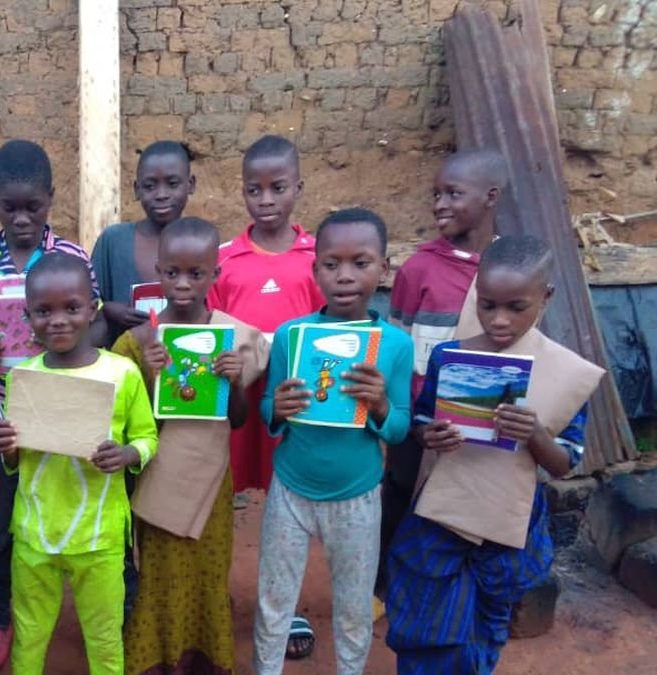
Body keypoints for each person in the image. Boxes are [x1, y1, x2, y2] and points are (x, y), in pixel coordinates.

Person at [386, 236, 600, 674]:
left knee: (487, 624)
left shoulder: (566, 374)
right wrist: (431, 436)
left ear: (546, 297)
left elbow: (564, 462)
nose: (499, 320)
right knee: (425, 622)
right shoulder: (452, 357)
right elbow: (422, 423)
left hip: (506, 528)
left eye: (515, 307)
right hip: (443, 517)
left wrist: (536, 435)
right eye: (487, 305)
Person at [0, 139, 103, 671]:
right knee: (0, 517)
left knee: (69, 504)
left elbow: (98, 318)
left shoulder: (73, 257)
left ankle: (100, 609)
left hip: (64, 404)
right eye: (9, 207)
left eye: (32, 207)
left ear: (50, 200)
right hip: (2, 410)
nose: (21, 218)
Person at [253, 208, 413, 675]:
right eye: (331, 264)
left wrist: (381, 405)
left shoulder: (393, 346)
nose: (344, 276)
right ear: (315, 268)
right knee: (274, 600)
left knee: (354, 606)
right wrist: (277, 409)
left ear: (384, 269)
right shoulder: (291, 336)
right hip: (291, 490)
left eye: (360, 263)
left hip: (358, 496)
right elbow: (267, 409)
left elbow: (400, 428)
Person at [0, 252, 159, 675]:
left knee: (105, 636)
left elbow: (147, 437)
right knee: (29, 634)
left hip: (99, 535)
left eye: (71, 307)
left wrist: (126, 455)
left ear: (93, 309)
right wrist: (8, 447)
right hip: (35, 532)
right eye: (44, 311)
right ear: (28, 315)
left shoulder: (121, 374)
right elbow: (16, 459)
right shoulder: (23, 378)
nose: (59, 320)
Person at [115, 218, 264, 675]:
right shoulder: (137, 343)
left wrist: (235, 382)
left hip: (212, 485)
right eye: (173, 273)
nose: (183, 284)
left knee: (208, 575)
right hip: (159, 482)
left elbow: (237, 420)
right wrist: (153, 376)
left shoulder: (232, 339)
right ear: (157, 272)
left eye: (196, 273)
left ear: (215, 275)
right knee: (158, 577)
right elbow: (134, 428)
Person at [206, 135, 325, 657]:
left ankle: (287, 604)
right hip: (233, 403)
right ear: (243, 193)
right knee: (218, 500)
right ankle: (212, 596)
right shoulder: (225, 260)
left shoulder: (318, 257)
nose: (267, 199)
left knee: (288, 509)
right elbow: (206, 327)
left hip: (292, 405)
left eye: (278, 187)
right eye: (255, 189)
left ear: (298, 187)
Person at [380, 150, 508, 598]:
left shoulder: (510, 268)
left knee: (465, 505)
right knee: (400, 495)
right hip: (420, 418)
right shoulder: (419, 269)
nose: (439, 204)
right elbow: (397, 349)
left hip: (485, 421)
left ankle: (455, 588)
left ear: (490, 197)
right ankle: (385, 588)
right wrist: (409, 420)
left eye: (453, 193)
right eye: (436, 194)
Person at [92, 140, 196, 343]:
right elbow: (85, 304)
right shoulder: (113, 242)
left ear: (190, 184)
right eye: (149, 186)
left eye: (173, 184)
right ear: (136, 189)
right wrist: (108, 310)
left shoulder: (201, 243)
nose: (161, 195)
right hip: (124, 368)